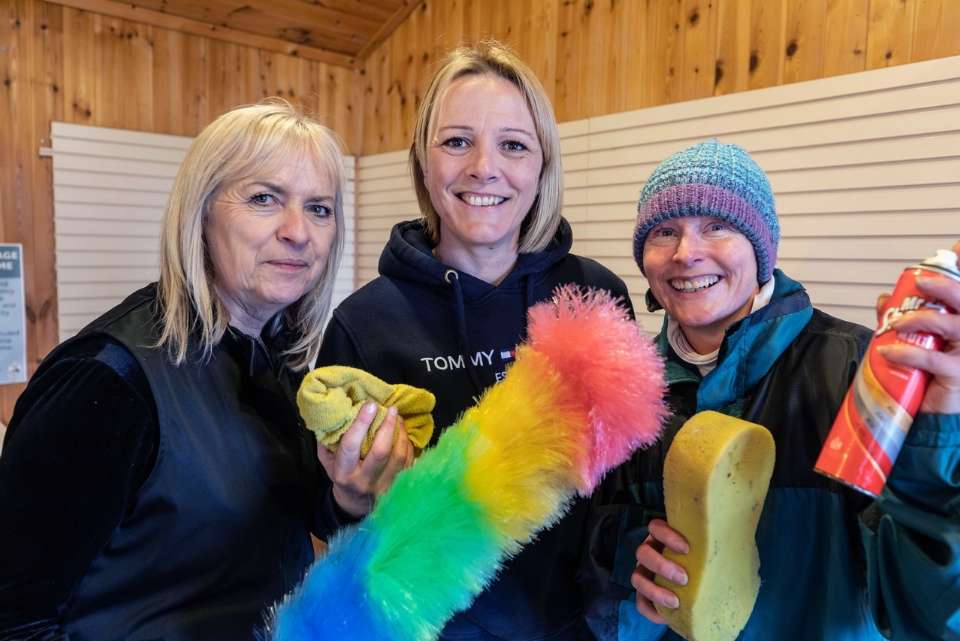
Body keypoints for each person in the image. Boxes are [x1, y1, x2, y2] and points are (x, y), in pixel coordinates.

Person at [0, 100, 412, 640]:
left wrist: (349, 498)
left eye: (319, 208)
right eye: (264, 199)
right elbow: (15, 619)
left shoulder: (276, 355)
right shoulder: (109, 379)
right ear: (201, 212)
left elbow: (279, 526)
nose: (298, 231)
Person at [316, 42, 631, 640]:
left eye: (513, 144)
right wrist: (351, 501)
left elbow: (625, 479)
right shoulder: (364, 324)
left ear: (542, 167)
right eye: (457, 141)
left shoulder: (593, 296)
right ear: (423, 162)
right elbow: (329, 520)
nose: (483, 167)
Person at [587, 139, 960, 641]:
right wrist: (635, 558)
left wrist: (940, 437)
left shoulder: (858, 370)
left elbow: (932, 611)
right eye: (664, 231)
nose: (685, 253)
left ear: (763, 249)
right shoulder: (625, 389)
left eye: (717, 226)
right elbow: (595, 570)